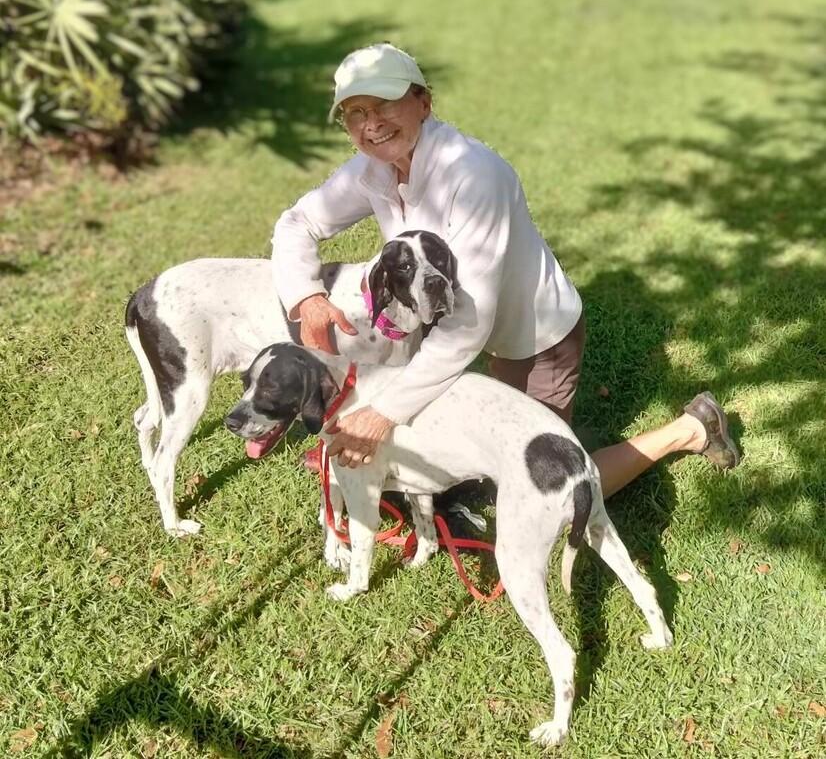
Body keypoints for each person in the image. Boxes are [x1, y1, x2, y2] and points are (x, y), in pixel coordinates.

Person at [270, 43, 738, 494]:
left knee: (545, 489)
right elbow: (298, 222)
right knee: (491, 453)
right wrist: (305, 297)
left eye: (384, 104)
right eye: (355, 113)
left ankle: (692, 428)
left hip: (536, 337)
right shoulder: (372, 169)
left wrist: (381, 414)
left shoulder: (474, 175)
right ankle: (553, 436)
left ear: (423, 103)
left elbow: (467, 326)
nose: (371, 124)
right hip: (482, 336)